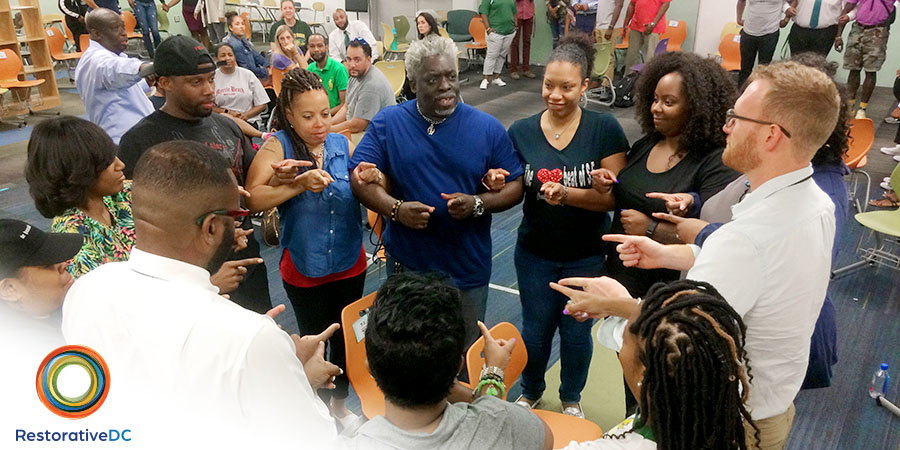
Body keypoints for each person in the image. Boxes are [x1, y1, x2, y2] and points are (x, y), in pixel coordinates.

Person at [561, 61, 841, 450]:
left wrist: (620, 303)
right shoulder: (816, 203)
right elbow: (762, 271)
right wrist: (671, 255)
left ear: (772, 136)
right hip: (774, 407)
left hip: (727, 424)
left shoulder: (744, 241)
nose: (727, 127)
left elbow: (677, 347)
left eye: (737, 117)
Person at [61, 141, 342, 447]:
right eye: (236, 213)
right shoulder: (250, 338)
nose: (239, 222)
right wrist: (300, 376)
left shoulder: (87, 288)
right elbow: (310, 440)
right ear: (210, 228)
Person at [349, 35, 524, 350]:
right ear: (414, 84)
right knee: (407, 354)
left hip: (465, 273)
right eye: (434, 79)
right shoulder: (389, 123)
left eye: (451, 76)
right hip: (407, 270)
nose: (446, 86)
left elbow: (515, 186)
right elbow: (359, 177)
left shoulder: (487, 128)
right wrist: (395, 209)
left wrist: (479, 204)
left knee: (463, 358)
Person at [506, 34, 628, 418]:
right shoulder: (522, 131)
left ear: (585, 86)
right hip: (534, 254)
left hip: (586, 256)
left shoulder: (604, 129)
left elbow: (615, 198)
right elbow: (512, 183)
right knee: (536, 331)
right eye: (548, 85)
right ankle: (531, 390)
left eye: (567, 87)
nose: (555, 95)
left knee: (576, 335)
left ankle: (571, 397)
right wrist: (494, 180)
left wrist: (571, 195)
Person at [245, 68, 373, 425]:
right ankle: (315, 410)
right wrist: (298, 184)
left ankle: (340, 406)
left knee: (347, 341)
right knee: (314, 342)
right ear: (288, 114)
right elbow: (253, 198)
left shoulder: (339, 142)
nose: (320, 123)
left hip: (350, 260)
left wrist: (371, 177)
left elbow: (363, 185)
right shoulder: (277, 145)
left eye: (325, 113)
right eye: (307, 116)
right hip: (304, 267)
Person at [119, 35, 271, 314]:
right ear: (163, 83)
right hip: (184, 275)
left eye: (211, 79)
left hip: (245, 261)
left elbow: (253, 187)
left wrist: (278, 178)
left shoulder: (229, 127)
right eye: (196, 82)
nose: (209, 90)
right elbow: (131, 219)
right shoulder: (140, 142)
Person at [340, 272, 552, 450]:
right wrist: (492, 373)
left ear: (371, 368)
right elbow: (545, 439)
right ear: (458, 366)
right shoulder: (507, 425)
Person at [558, 280, 755, 450]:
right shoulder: (719, 389)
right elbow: (672, 342)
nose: (621, 345)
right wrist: (612, 303)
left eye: (624, 339)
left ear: (645, 374)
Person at [606, 51, 739, 299]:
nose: (656, 108)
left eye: (668, 102)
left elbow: (715, 237)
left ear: (696, 107)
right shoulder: (646, 144)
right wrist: (607, 183)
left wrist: (650, 229)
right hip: (621, 275)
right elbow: (624, 194)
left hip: (668, 291)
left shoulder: (715, 162)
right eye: (655, 99)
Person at [0, 220, 82, 434]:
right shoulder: (29, 357)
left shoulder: (57, 310)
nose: (63, 264)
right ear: (10, 288)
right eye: (47, 264)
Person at [25, 117, 131, 279]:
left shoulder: (123, 195)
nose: (120, 165)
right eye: (107, 162)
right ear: (80, 171)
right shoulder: (72, 239)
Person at [74, 8, 154, 145]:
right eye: (115, 28)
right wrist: (147, 67)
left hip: (134, 137)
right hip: (122, 142)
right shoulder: (96, 60)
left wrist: (147, 80)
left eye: (123, 27)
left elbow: (120, 90)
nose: (123, 33)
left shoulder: (113, 55)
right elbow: (116, 69)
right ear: (96, 34)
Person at [837, 0, 895, 119]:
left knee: (870, 70)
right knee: (853, 68)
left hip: (878, 31)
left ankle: (862, 108)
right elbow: (848, 7)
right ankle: (850, 105)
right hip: (858, 29)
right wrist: (838, 35)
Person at [331, 39, 395, 135]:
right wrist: (329, 124)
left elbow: (357, 125)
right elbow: (346, 107)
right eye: (349, 59)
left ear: (368, 59)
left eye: (357, 60)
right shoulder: (355, 74)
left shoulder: (372, 85)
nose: (352, 65)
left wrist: (327, 131)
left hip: (379, 137)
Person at [737, 0, 793, 86]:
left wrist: (786, 20)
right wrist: (739, 19)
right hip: (748, 33)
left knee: (764, 70)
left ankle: (761, 96)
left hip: (769, 34)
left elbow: (789, 4)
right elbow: (741, 1)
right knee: (745, 69)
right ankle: (741, 95)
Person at [213, 43, 269, 127]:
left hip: (248, 120)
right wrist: (227, 112)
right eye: (223, 55)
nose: (227, 58)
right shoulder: (212, 78)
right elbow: (208, 108)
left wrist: (245, 115)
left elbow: (262, 104)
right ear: (216, 59)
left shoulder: (247, 75)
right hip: (222, 122)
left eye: (230, 55)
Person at [786, 0, 854, 57]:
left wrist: (839, 36)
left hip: (826, 33)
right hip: (799, 31)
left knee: (818, 65)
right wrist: (786, 11)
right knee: (796, 64)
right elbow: (784, 2)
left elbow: (853, 7)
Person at [622, 0, 671, 76]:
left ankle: (648, 81)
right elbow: (632, 4)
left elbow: (666, 4)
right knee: (631, 56)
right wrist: (626, 23)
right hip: (636, 25)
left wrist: (653, 23)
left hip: (653, 28)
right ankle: (627, 81)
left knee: (650, 57)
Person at [307, 33, 349, 117]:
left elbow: (344, 104)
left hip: (335, 117)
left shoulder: (339, 69)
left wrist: (324, 115)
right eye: (312, 46)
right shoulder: (310, 69)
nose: (316, 49)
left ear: (326, 47)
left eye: (320, 46)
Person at [479, 0, 517, 89]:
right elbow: (483, 13)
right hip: (495, 32)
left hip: (509, 31)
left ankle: (496, 78)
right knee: (492, 55)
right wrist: (488, 28)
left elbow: (514, 12)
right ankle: (485, 79)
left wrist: (516, 25)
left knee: (502, 55)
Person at [223, 11, 269, 81]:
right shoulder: (235, 44)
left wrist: (267, 65)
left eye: (243, 24)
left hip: (254, 74)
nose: (241, 27)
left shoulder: (243, 40)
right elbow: (248, 68)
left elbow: (256, 56)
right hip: (246, 79)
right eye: (237, 24)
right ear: (231, 28)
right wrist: (265, 71)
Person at [594, 0, 625, 91]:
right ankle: (602, 83)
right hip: (599, 27)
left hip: (609, 27)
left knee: (608, 58)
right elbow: (601, 10)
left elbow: (619, 6)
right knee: (601, 57)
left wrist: (611, 27)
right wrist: (595, 27)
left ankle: (606, 86)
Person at [510, 0, 537, 80]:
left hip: (529, 13)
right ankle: (513, 69)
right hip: (516, 14)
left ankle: (526, 69)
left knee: (527, 42)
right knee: (515, 42)